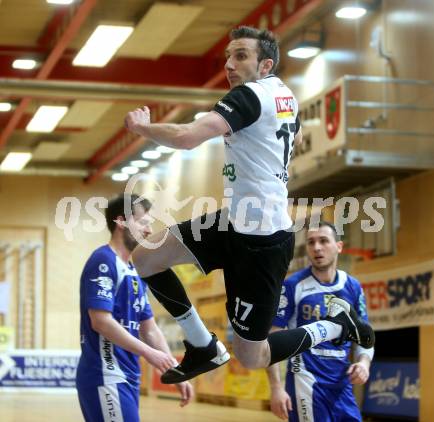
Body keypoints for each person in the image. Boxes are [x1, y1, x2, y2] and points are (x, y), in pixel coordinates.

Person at [124, 25, 375, 385]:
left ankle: (334, 327)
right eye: (228, 55)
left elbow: (188, 136)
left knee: (252, 355)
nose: (229, 64)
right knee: (146, 256)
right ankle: (201, 345)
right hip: (233, 221)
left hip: (262, 245)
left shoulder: (249, 96)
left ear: (265, 64)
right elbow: (298, 134)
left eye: (240, 55)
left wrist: (144, 129)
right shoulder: (282, 94)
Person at [76, 194, 193, 422]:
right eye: (143, 223)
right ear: (121, 222)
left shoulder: (135, 271)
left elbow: (149, 329)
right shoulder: (103, 261)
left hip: (128, 376)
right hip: (106, 375)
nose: (149, 231)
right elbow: (100, 321)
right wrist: (149, 354)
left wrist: (174, 371)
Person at [267, 222, 374, 422]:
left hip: (341, 385)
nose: (317, 247)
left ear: (339, 246)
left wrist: (364, 363)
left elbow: (364, 335)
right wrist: (276, 388)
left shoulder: (352, 286)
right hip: (305, 383)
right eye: (311, 242)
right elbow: (272, 341)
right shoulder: (293, 286)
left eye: (323, 241)